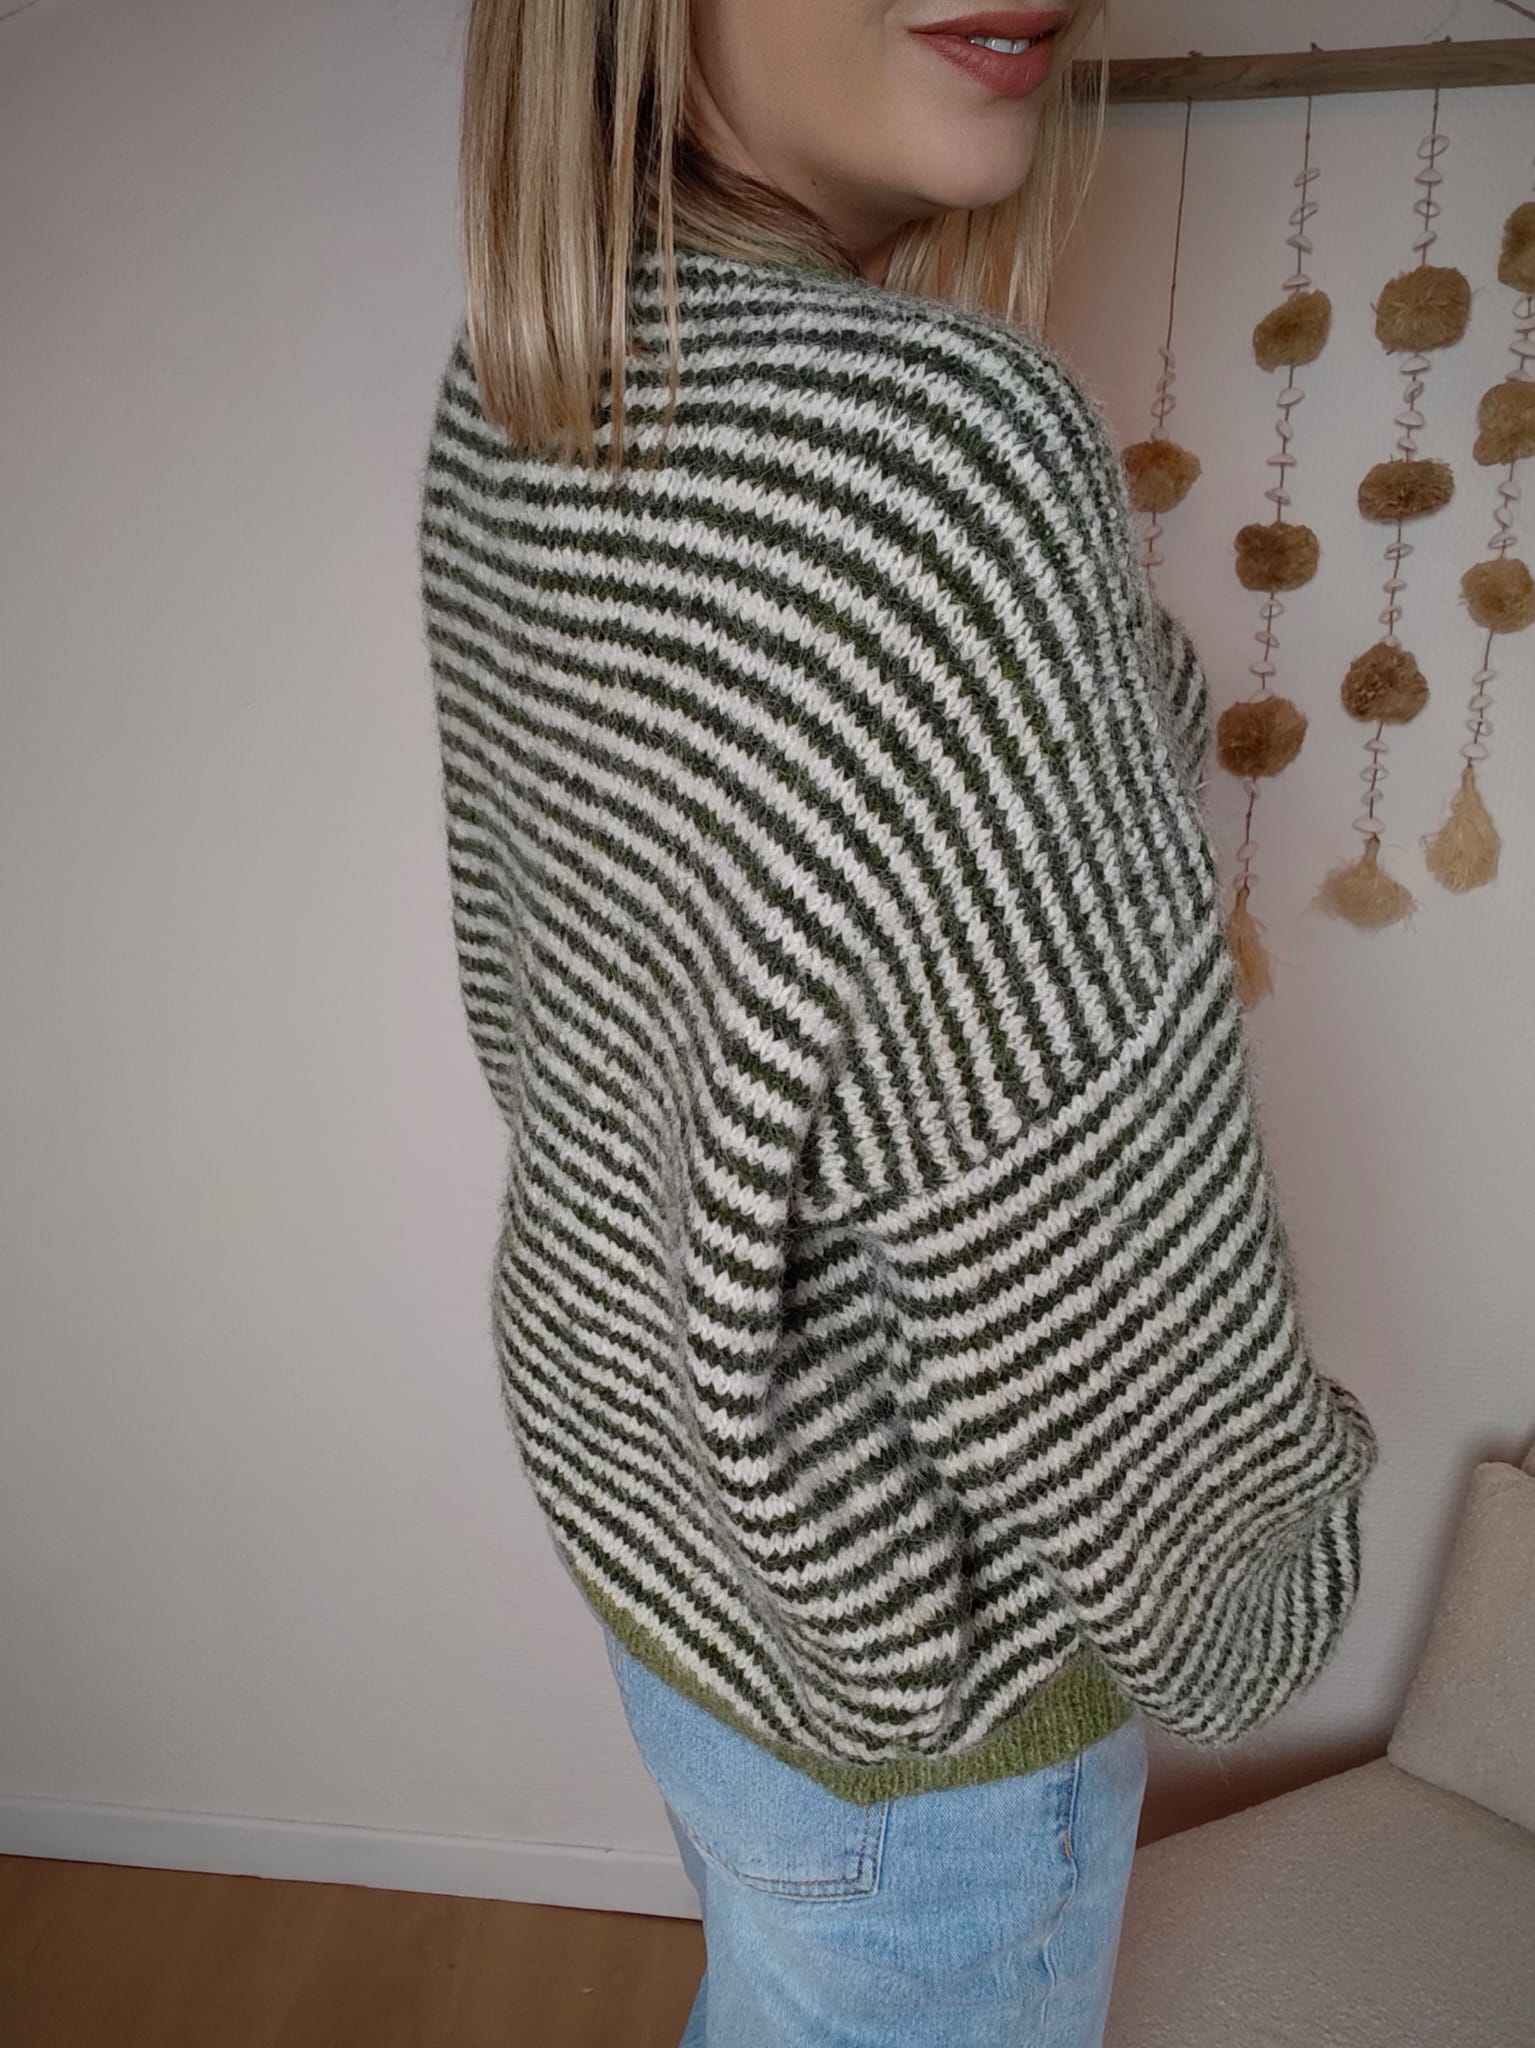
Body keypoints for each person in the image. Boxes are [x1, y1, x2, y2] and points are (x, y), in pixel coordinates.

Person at [417, 2, 1381, 2042]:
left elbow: (609, 983)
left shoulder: (521, 376)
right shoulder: (933, 463)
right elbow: (1110, 1351)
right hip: (899, 1702)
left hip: (673, 1541)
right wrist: (1264, 1587)